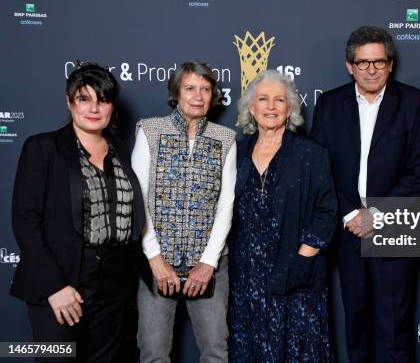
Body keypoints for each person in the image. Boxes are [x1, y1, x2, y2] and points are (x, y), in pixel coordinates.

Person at [10, 62, 152, 362]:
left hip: (114, 285)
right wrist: (55, 287)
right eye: (83, 98)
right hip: (60, 282)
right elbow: (25, 220)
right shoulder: (43, 147)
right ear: (69, 101)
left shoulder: (120, 149)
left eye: (102, 99)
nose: (94, 108)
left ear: (112, 105)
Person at [310, 25, 420, 362]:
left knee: (394, 327)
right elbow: (321, 167)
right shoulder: (330, 104)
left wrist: (376, 214)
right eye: (363, 63)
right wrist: (352, 213)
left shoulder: (413, 102)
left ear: (390, 64)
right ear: (349, 65)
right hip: (348, 230)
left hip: (392, 228)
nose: (371, 70)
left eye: (379, 62)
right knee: (357, 323)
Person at [131, 61, 236, 363]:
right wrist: (154, 258)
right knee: (153, 353)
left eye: (205, 89)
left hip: (209, 265)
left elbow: (225, 203)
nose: (198, 96)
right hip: (157, 264)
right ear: (176, 92)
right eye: (190, 88)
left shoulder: (225, 138)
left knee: (216, 352)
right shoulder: (149, 130)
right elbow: (139, 199)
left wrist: (208, 262)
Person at [228, 69, 337, 362]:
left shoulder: (311, 153)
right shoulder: (236, 152)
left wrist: (303, 258)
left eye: (279, 100)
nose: (271, 107)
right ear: (252, 107)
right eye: (263, 99)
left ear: (290, 108)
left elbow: (326, 210)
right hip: (247, 274)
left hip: (296, 272)